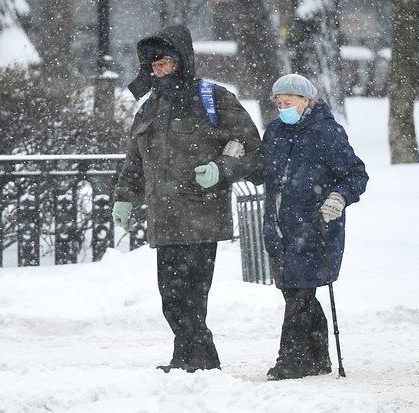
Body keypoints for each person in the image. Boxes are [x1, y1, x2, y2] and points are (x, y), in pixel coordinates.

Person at [112, 24, 261, 373]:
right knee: (172, 298)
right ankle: (190, 360)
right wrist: (125, 197)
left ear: (181, 59)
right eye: (152, 65)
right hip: (165, 218)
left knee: (192, 297)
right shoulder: (149, 107)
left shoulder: (214, 98)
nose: (157, 70)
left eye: (163, 62)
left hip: (201, 215)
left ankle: (200, 363)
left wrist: (221, 169)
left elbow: (251, 148)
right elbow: (136, 159)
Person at [250, 74, 368, 380]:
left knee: (301, 293)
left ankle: (290, 360)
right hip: (279, 228)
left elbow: (356, 174)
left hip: (314, 227)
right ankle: (317, 357)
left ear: (307, 101)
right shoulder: (274, 131)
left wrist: (338, 198)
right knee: (295, 293)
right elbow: (262, 170)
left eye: (289, 100)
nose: (283, 105)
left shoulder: (326, 132)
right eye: (278, 101)